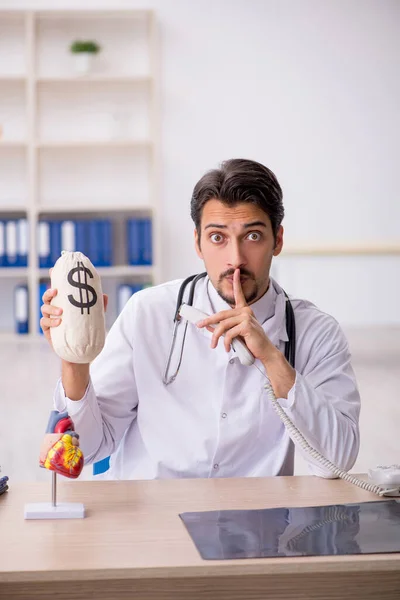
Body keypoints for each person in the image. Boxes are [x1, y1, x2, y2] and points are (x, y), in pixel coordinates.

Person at [41, 158, 360, 480]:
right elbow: (90, 448)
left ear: (277, 240)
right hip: (152, 515)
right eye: (218, 237)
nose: (235, 259)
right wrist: (74, 361)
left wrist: (273, 360)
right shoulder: (148, 311)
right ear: (198, 243)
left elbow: (336, 461)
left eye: (252, 236)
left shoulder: (317, 332)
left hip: (256, 519)